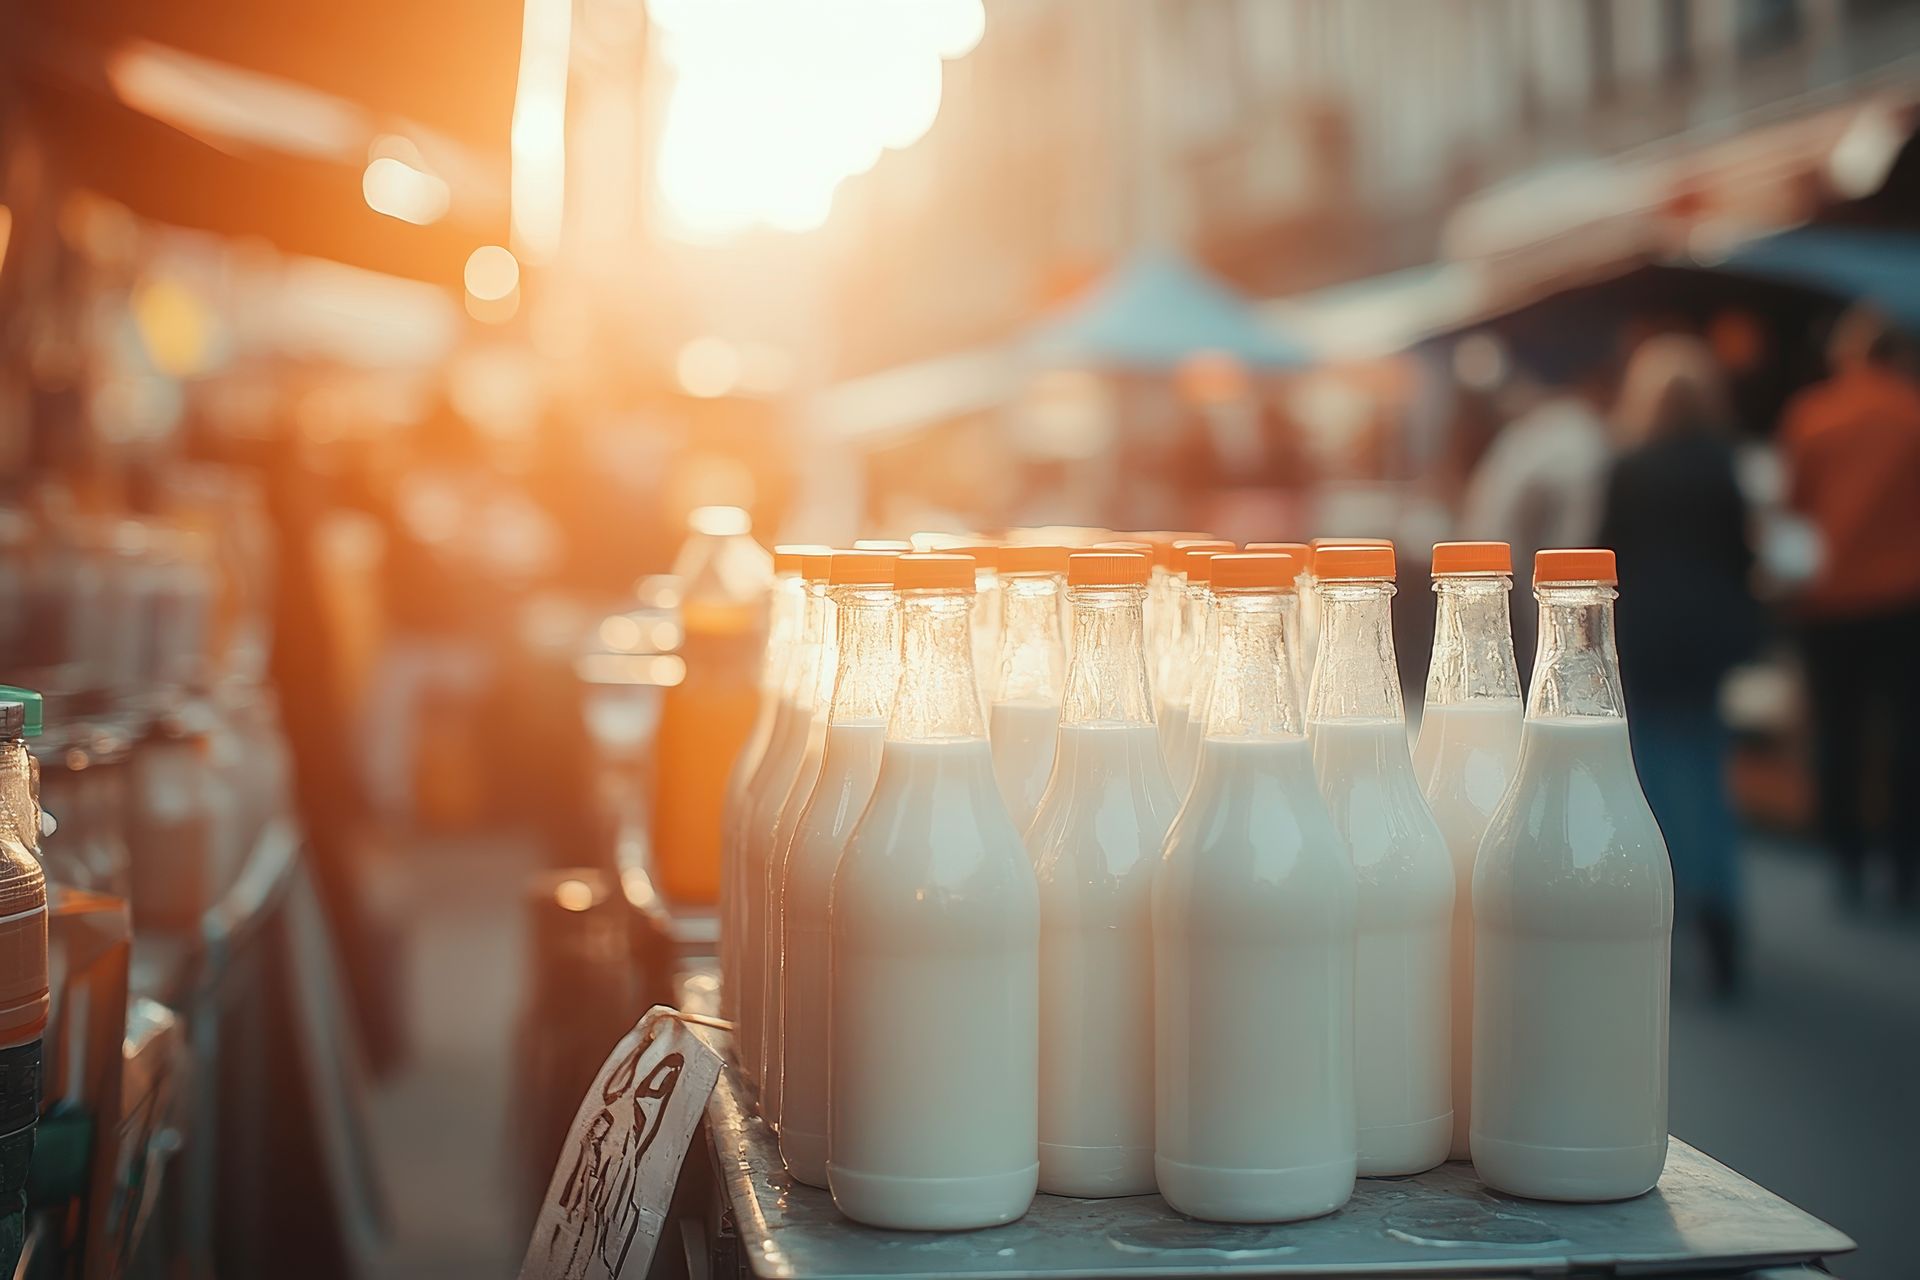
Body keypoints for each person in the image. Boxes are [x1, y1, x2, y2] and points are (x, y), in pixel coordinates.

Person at [1598, 335, 1762, 996]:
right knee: (1709, 768)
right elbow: (1742, 556)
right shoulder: (1723, 463)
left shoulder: (1629, 465)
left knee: (1657, 774)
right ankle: (1722, 908)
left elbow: (1606, 556)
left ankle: (1666, 912)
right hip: (1708, 636)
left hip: (1648, 632)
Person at [1779, 308, 1920, 908]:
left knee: (1838, 732)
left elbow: (1793, 512)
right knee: (1907, 735)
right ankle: (1906, 866)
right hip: (1905, 599)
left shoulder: (1812, 416)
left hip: (1829, 602)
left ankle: (1847, 862)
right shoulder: (1913, 413)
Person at [1461, 363, 1613, 674]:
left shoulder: (1531, 433)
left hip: (1489, 573)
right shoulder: (1581, 436)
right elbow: (1574, 538)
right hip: (1527, 578)